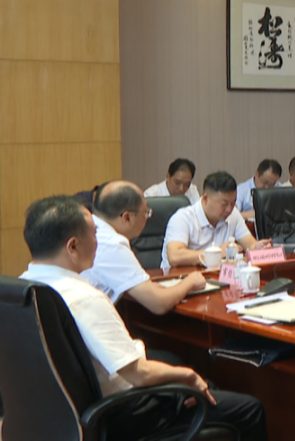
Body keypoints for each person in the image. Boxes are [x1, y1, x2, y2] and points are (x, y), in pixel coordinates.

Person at [19, 196, 268, 441]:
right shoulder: (84, 298)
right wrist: (189, 376)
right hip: (123, 412)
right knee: (248, 408)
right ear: (73, 247)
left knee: (185, 370)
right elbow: (139, 374)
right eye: (94, 234)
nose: (98, 241)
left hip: (54, 418)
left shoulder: (21, 290)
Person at [83, 181, 208, 312]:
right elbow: (159, 303)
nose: (147, 217)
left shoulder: (89, 230)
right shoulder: (112, 244)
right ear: (127, 218)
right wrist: (190, 282)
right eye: (146, 212)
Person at [163, 172, 265, 268]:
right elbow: (174, 257)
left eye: (233, 203)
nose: (229, 209)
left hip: (216, 275)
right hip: (180, 277)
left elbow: (249, 244)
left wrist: (258, 247)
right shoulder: (182, 218)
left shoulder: (233, 214)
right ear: (206, 199)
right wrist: (216, 253)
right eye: (224, 204)